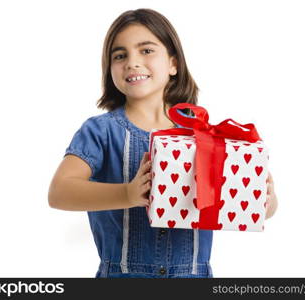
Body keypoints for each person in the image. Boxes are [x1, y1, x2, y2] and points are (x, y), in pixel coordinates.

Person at [48, 8, 278, 278]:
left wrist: (266, 198)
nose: (132, 62)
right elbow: (59, 192)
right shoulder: (100, 132)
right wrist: (127, 194)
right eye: (120, 55)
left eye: (146, 51)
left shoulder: (205, 136)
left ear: (173, 64)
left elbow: (262, 209)